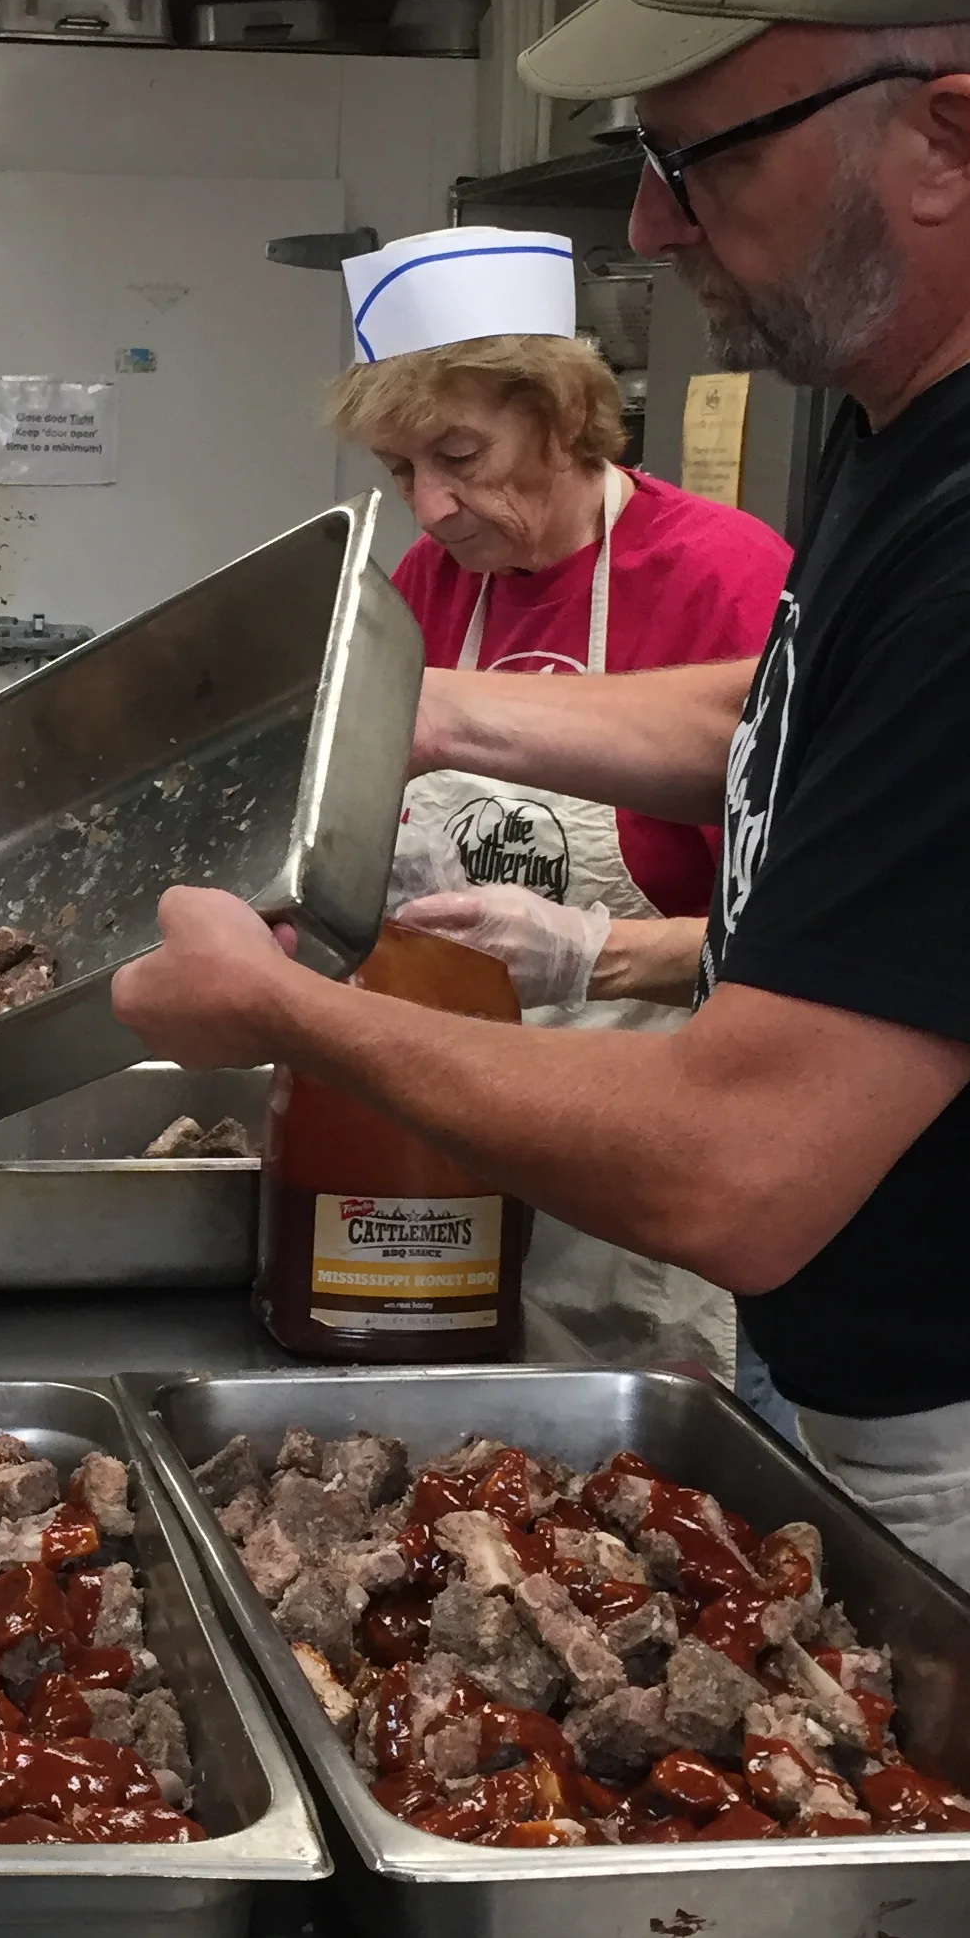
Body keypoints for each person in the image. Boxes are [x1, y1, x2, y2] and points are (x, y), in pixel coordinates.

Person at [115, 0, 970, 1739]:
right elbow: (789, 731)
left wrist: (284, 1010)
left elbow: (739, 1168)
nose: (655, 227)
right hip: (901, 1393)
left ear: (943, 137)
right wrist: (426, 711)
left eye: (704, 160)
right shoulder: (929, 418)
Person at [331, 224, 786, 1368]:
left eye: (461, 457)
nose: (430, 507)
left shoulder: (726, 579)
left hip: (650, 1155)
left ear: (568, 417)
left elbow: (822, 947)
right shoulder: (430, 585)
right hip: (458, 1141)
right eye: (402, 474)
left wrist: (592, 952)